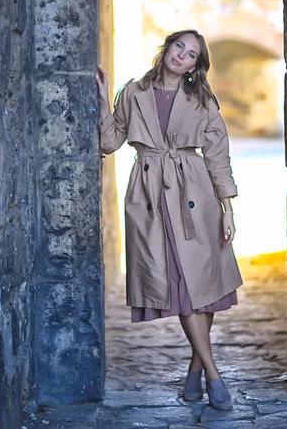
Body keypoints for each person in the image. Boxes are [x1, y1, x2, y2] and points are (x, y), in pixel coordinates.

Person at [96, 29, 243, 411]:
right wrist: (101, 100)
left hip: (196, 195)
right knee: (183, 286)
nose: (182, 56)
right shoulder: (133, 93)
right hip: (150, 196)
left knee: (203, 287)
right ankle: (213, 375)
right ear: (167, 48)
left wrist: (227, 210)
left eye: (192, 54)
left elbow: (217, 155)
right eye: (179, 46)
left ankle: (197, 372)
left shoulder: (202, 99)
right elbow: (109, 143)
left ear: (196, 65)